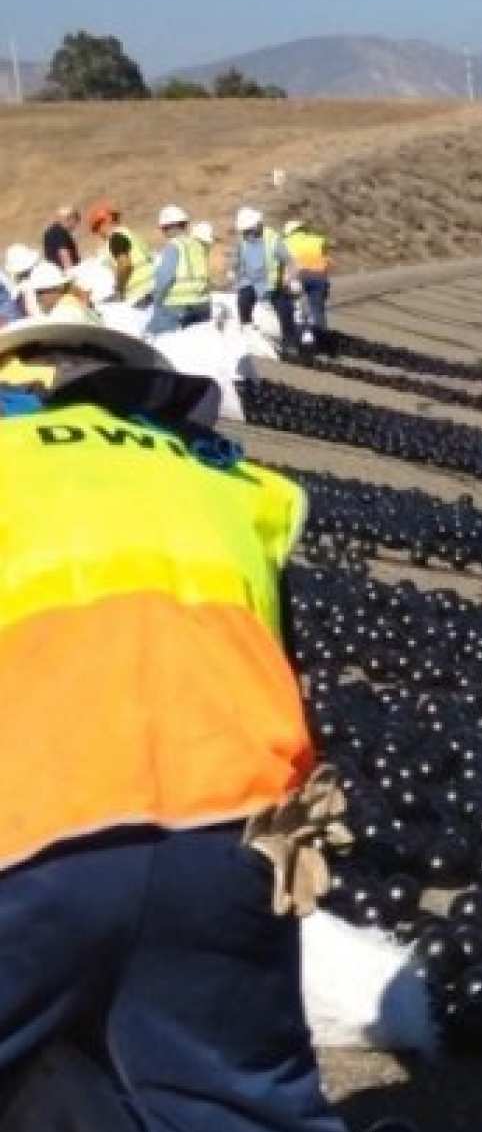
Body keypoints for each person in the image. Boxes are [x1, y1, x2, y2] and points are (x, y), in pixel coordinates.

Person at [0, 316, 345, 1132]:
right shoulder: (233, 485)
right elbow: (283, 671)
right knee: (225, 1098)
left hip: (30, 836)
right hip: (226, 837)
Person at [146, 204, 213, 334]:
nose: (163, 233)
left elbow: (164, 276)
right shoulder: (198, 245)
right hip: (202, 305)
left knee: (162, 338)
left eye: (164, 229)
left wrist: (157, 299)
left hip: (178, 307)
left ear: (168, 227)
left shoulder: (174, 246)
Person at [233, 208, 298, 339]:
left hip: (272, 284)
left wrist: (290, 278)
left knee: (285, 309)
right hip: (250, 282)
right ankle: (247, 328)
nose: (247, 234)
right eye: (245, 231)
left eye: (250, 230)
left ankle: (290, 340)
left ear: (257, 225)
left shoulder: (273, 239)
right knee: (243, 300)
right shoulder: (242, 241)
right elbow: (237, 261)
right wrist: (234, 274)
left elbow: (290, 261)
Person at [284, 220, 331, 349]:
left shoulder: (285, 242)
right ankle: (321, 340)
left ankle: (298, 337)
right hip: (319, 277)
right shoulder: (319, 240)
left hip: (298, 276)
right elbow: (327, 260)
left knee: (296, 308)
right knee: (317, 309)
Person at [87, 202, 148, 297]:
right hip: (153, 286)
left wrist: (119, 288)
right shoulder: (129, 234)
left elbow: (125, 264)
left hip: (140, 293)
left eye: (96, 229)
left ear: (102, 224)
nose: (98, 234)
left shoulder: (115, 237)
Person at [19, 261, 94, 322]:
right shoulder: (68, 302)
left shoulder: (65, 311)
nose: (38, 298)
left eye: (39, 292)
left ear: (54, 290)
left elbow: (48, 332)